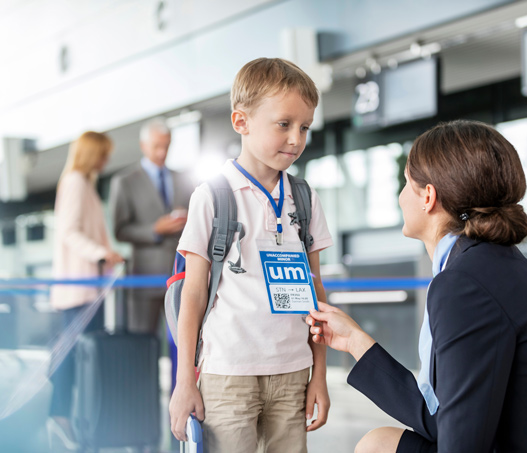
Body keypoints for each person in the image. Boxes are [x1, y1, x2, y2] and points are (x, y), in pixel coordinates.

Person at [306, 120, 527, 453]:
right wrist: (356, 342)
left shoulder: (465, 284)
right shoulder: (500, 266)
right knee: (380, 443)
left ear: (428, 196)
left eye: (406, 185)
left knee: (377, 447)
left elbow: (460, 443)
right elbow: (444, 417)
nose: (401, 196)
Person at [169, 57, 333, 452]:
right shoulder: (212, 197)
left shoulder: (305, 198)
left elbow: (315, 289)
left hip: (293, 370)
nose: (296, 139)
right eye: (284, 124)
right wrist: (184, 381)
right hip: (228, 372)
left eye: (305, 127)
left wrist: (320, 374)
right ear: (241, 122)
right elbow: (192, 294)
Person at [48, 131, 123, 450]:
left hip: (89, 288)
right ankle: (60, 417)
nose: (106, 161)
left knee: (80, 358)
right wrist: (101, 254)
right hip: (78, 289)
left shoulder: (84, 182)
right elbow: (69, 231)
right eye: (103, 154)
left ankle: (67, 418)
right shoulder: (76, 182)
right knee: (71, 358)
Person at [109, 117, 194, 334]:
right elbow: (120, 230)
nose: (162, 153)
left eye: (166, 146)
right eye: (157, 146)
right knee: (143, 344)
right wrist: (155, 230)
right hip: (144, 278)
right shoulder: (125, 182)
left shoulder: (182, 178)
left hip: (180, 276)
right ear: (143, 146)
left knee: (183, 342)